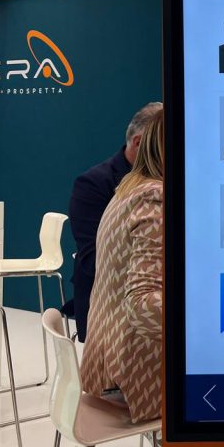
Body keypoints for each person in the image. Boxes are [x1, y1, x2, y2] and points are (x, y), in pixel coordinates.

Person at [80, 107, 164, 423]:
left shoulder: (130, 186)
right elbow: (144, 305)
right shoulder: (155, 198)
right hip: (132, 372)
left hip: (107, 358)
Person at [65, 101, 162, 342]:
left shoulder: (143, 186)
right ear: (139, 142)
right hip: (110, 309)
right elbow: (93, 258)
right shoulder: (96, 184)